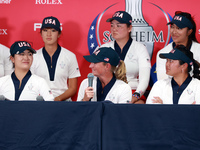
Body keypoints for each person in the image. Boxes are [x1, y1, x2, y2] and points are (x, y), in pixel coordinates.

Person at [99, 11, 151, 104]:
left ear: (129, 28)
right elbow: (97, 75)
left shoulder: (140, 48)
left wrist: (136, 96)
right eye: (112, 25)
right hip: (109, 90)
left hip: (132, 90)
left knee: (139, 105)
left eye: (119, 26)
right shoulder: (103, 48)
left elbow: (144, 79)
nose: (114, 29)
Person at [31, 16, 81, 101]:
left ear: (59, 34)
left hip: (63, 102)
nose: (49, 34)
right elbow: (31, 85)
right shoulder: (33, 56)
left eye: (53, 30)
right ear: (41, 33)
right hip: (40, 102)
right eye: (45, 30)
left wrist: (58, 99)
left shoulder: (70, 56)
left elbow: (73, 88)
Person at [156, 11, 200, 80]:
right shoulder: (163, 52)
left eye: (179, 28)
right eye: (172, 27)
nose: (174, 31)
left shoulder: (198, 50)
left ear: (189, 31)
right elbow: (163, 81)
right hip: (170, 90)